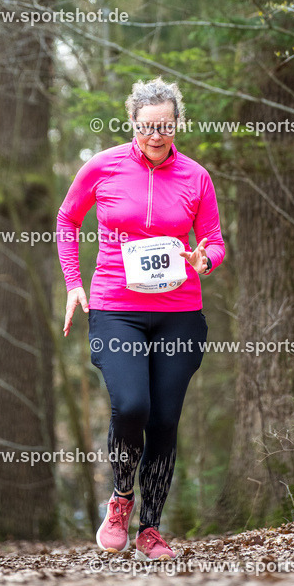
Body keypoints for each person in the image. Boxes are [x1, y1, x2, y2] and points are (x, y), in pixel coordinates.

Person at [57, 77, 225, 561]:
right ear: (132, 123)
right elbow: (67, 220)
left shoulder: (196, 176)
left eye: (166, 127)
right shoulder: (102, 167)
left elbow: (214, 239)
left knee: (165, 420)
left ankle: (151, 528)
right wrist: (74, 283)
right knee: (131, 406)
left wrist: (204, 260)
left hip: (179, 314)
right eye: (148, 127)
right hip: (117, 309)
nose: (156, 136)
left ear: (178, 124)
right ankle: (121, 499)